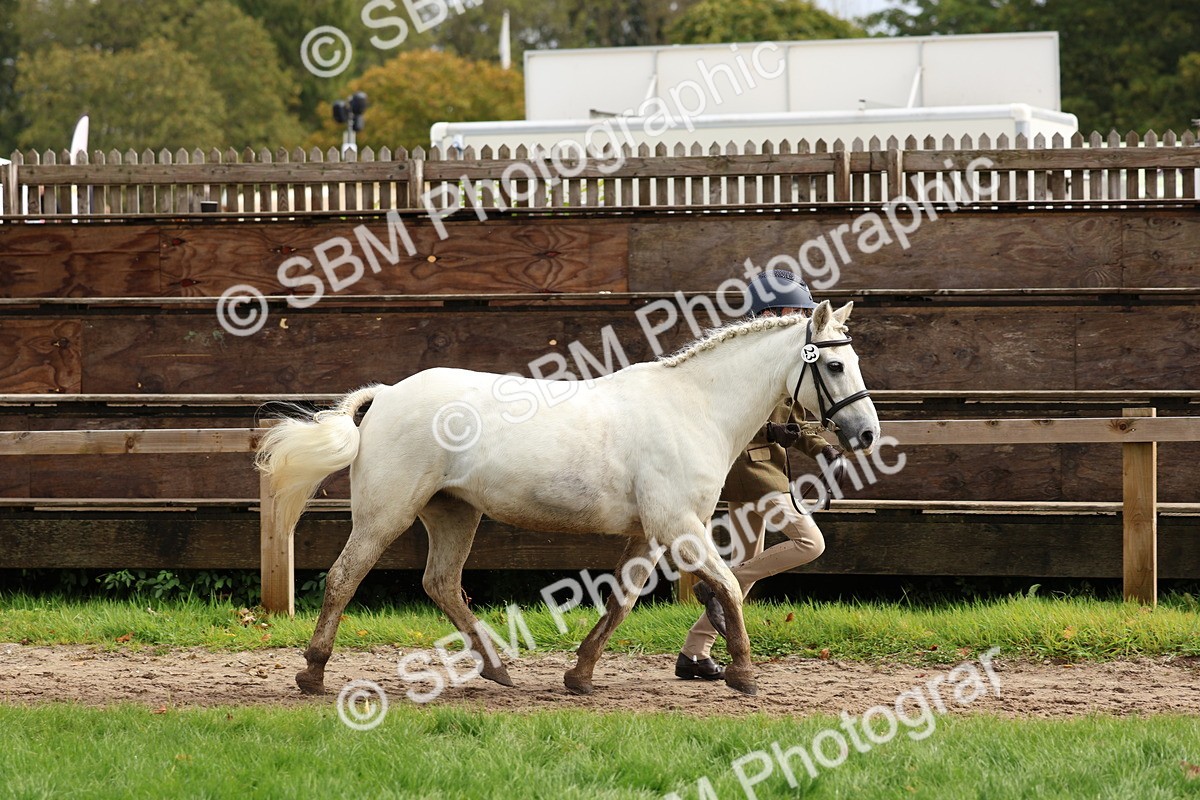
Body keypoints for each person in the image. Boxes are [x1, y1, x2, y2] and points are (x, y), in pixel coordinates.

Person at [675, 269, 845, 681]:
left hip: (765, 468)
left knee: (753, 566)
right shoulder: (744, 358)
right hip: (752, 471)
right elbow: (729, 418)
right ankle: (714, 583)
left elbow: (798, 422)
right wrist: (772, 431)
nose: (802, 317)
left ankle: (694, 652)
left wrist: (823, 449)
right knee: (809, 543)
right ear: (771, 310)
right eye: (795, 310)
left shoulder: (789, 353)